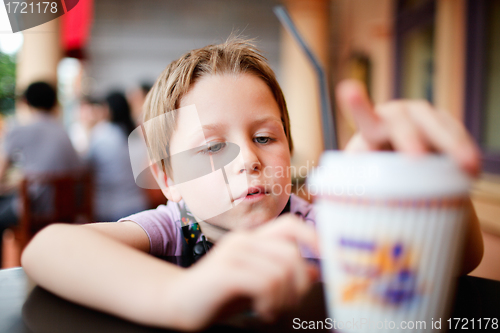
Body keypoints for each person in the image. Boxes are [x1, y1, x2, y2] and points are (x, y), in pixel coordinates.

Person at [21, 39, 483, 331]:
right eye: (212, 148)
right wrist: (178, 296)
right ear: (168, 179)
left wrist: (427, 176)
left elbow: (460, 258)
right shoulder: (175, 228)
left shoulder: (321, 226)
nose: (249, 160)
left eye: (265, 137)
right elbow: (49, 249)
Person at [0, 81, 81, 266]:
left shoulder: (19, 129)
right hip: (65, 209)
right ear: (54, 103)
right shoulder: (64, 132)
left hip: (34, 209)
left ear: (25, 102)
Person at [86, 92, 148, 221]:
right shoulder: (136, 134)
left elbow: (86, 166)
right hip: (139, 205)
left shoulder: (102, 134)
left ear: (107, 110)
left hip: (109, 208)